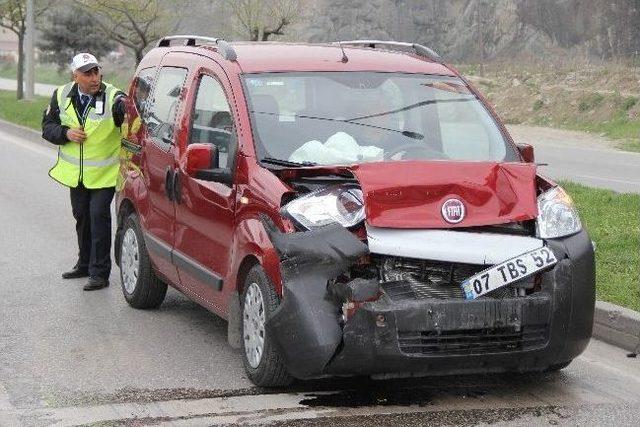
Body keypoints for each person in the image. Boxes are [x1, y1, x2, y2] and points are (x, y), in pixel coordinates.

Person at [42, 53, 126, 291]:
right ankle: (85, 263)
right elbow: (47, 128)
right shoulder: (61, 94)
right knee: (82, 217)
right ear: (75, 76)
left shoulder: (112, 95)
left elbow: (124, 107)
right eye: (87, 73)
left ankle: (100, 274)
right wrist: (66, 133)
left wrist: (127, 104)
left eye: (96, 72)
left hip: (105, 174)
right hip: (76, 175)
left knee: (98, 216)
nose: (94, 78)